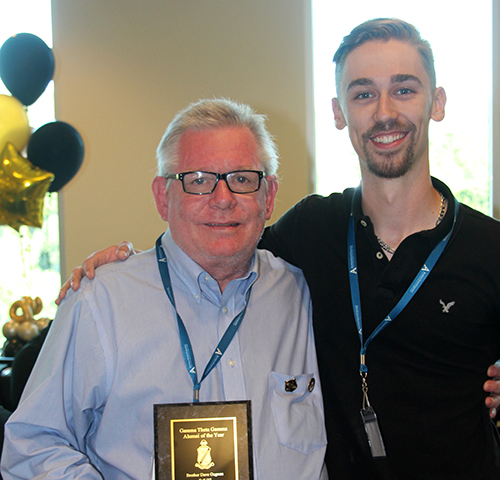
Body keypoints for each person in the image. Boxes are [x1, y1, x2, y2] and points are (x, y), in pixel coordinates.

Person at [53, 18, 500, 479]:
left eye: (404, 88)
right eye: (364, 92)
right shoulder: (313, 232)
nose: (385, 110)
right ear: (338, 111)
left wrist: (479, 378)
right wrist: (120, 267)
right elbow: (210, 242)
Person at [1, 98, 328, 480]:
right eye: (199, 181)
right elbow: (32, 446)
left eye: (242, 179)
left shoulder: (306, 293)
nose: (223, 200)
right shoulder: (101, 302)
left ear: (268, 196)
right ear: (162, 196)